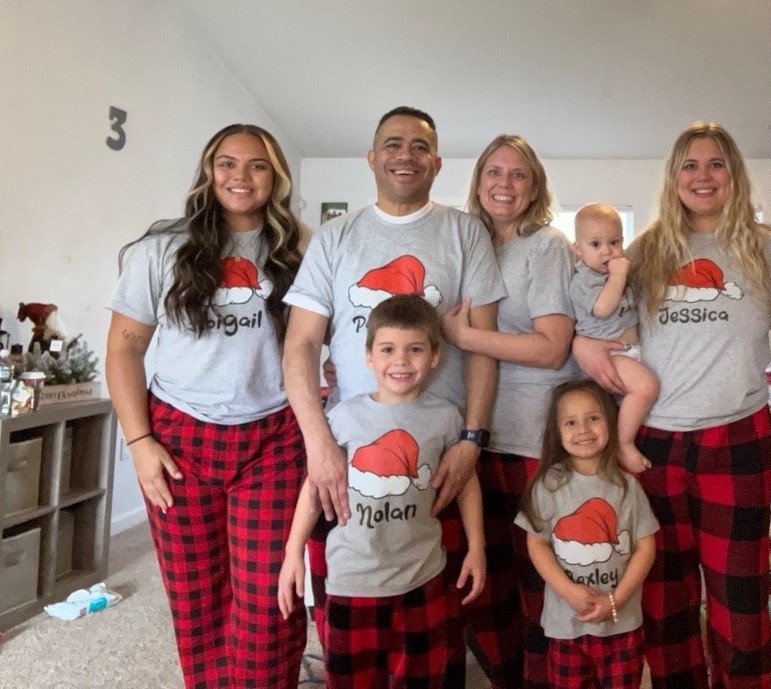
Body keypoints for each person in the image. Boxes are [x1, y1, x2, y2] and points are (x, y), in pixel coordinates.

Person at [282, 106, 504, 686]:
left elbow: (482, 345)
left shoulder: (463, 231)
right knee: (353, 641)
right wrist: (318, 444)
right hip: (346, 458)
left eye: (419, 145)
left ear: (436, 161)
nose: (405, 154)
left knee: (431, 642)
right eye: (392, 143)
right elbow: (301, 344)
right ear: (371, 158)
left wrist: (472, 439)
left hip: (440, 457)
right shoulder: (336, 237)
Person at [575, 122, 771, 689]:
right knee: (665, 595)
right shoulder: (643, 251)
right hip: (656, 445)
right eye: (689, 165)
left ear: (734, 174)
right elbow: (600, 322)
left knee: (738, 594)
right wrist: (580, 342)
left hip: (738, 437)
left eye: (715, 163)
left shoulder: (766, 247)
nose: (702, 176)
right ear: (673, 177)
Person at [105, 124, 307, 687]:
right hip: (176, 439)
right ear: (207, 171)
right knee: (196, 600)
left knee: (271, 600)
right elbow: (123, 349)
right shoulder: (159, 250)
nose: (241, 176)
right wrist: (139, 444)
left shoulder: (302, 249)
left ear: (276, 176)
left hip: (274, 438)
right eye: (227, 163)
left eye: (258, 165)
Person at [277, 295, 486, 688]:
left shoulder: (445, 417)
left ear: (435, 357)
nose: (401, 361)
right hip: (352, 580)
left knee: (423, 678)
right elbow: (314, 487)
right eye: (388, 349)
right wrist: (292, 553)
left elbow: (466, 483)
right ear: (369, 357)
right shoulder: (343, 417)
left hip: (422, 578)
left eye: (415, 350)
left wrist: (476, 548)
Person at [439, 133, 577, 689]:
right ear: (477, 183)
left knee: (536, 583)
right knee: (482, 585)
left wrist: (461, 335)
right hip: (472, 437)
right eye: (494, 172)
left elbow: (551, 347)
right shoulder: (463, 247)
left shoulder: (543, 247)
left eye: (518, 175)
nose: (504, 184)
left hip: (530, 443)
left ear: (534, 186)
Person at [515, 380, 659, 689]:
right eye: (570, 421)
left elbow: (645, 546)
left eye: (593, 417)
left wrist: (615, 599)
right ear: (558, 431)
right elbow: (537, 543)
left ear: (610, 421)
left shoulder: (627, 486)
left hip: (622, 623)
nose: (583, 429)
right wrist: (567, 590)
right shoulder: (548, 485)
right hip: (566, 626)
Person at [569, 203, 660, 474]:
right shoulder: (585, 279)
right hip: (610, 354)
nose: (606, 251)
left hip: (628, 351)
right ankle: (624, 443)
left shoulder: (612, 274)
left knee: (631, 401)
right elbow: (602, 308)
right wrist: (619, 275)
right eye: (595, 244)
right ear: (578, 249)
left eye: (614, 242)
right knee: (646, 387)